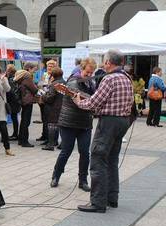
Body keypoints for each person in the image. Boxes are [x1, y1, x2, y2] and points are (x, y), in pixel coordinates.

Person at [74, 50, 134, 213]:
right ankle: (111, 198)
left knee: (98, 159)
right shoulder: (126, 78)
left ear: (108, 63)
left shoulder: (109, 79)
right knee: (112, 160)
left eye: (105, 62)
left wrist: (79, 102)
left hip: (109, 122)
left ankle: (98, 202)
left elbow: (95, 102)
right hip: (123, 120)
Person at [50, 58, 97, 192]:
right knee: (66, 151)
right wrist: (91, 100)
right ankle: (56, 176)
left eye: (91, 73)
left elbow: (93, 98)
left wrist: (91, 100)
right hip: (68, 122)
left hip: (85, 123)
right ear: (81, 69)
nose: (89, 75)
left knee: (85, 153)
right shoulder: (73, 81)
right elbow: (78, 99)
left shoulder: (91, 83)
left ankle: (83, 180)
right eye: (87, 72)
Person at [13, 70, 38, 147]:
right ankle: (24, 141)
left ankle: (21, 140)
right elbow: (34, 89)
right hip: (28, 101)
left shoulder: (19, 79)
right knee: (26, 122)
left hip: (23, 101)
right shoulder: (27, 78)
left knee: (23, 120)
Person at [41, 67, 64, 151]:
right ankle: (62, 144)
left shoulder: (54, 84)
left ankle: (50, 144)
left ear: (53, 75)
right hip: (63, 107)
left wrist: (43, 96)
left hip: (53, 108)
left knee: (51, 125)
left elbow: (50, 98)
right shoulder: (64, 83)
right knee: (61, 125)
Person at [37, 59, 57, 144]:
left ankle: (50, 139)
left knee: (49, 120)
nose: (50, 67)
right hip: (42, 98)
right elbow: (39, 84)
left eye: (52, 66)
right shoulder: (44, 74)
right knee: (44, 119)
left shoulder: (54, 76)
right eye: (49, 66)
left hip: (50, 100)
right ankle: (44, 135)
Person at [5, 64, 20, 141]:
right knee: (14, 118)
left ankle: (15, 134)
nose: (6, 71)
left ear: (9, 71)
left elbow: (10, 91)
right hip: (15, 101)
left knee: (14, 118)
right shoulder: (15, 77)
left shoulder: (11, 79)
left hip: (13, 101)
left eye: (7, 69)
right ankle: (15, 133)